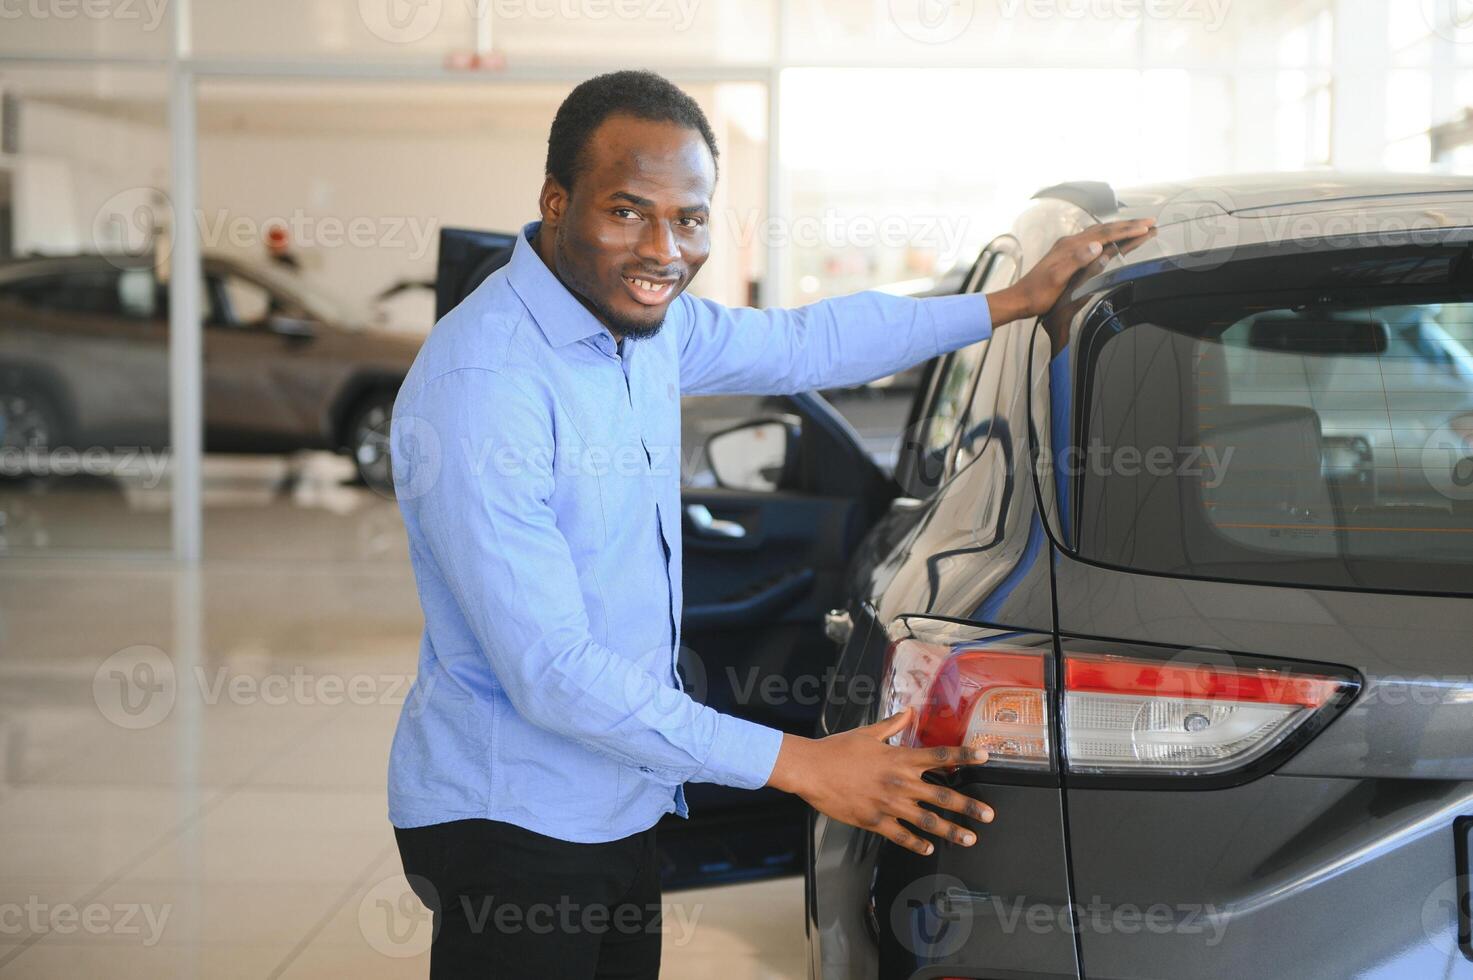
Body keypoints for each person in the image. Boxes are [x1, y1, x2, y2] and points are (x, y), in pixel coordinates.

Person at [387, 68, 1154, 979]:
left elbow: (807, 343)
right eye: (627, 211)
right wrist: (798, 762)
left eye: (691, 218)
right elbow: (551, 674)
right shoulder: (487, 388)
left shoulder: (643, 325)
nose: (664, 249)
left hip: (621, 797)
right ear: (555, 203)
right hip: (512, 820)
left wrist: (1006, 304)